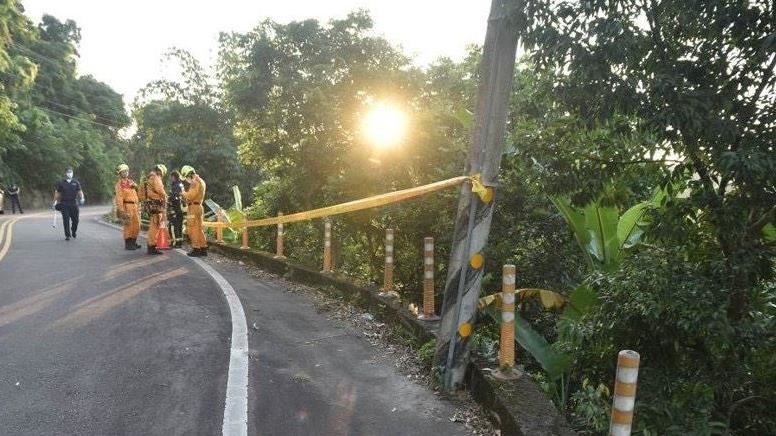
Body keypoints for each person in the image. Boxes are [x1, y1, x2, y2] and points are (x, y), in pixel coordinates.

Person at [180, 165, 207, 257]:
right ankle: (203, 248)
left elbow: (190, 195)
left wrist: (183, 192)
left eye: (186, 177)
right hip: (198, 207)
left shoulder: (195, 182)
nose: (186, 180)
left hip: (193, 208)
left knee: (192, 229)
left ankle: (196, 249)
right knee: (199, 229)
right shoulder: (201, 181)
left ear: (189, 174)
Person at [114, 164, 141, 250]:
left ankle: (133, 242)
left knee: (137, 225)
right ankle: (128, 244)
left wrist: (136, 187)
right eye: (123, 172)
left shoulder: (131, 182)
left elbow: (139, 191)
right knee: (128, 225)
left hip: (135, 206)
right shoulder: (119, 185)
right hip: (127, 206)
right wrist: (122, 211)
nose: (125, 173)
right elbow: (119, 198)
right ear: (120, 173)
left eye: (126, 171)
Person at [142, 164, 168, 255]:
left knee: (154, 225)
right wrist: (165, 197)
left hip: (151, 204)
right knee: (155, 226)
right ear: (161, 171)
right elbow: (160, 189)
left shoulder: (150, 177)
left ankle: (151, 246)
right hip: (156, 203)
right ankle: (152, 246)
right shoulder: (156, 178)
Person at [53, 167, 84, 241]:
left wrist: (82, 198)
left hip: (74, 203)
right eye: (68, 172)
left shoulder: (76, 182)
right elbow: (58, 193)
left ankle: (73, 231)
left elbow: (80, 191)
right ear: (66, 173)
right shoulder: (61, 183)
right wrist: (54, 202)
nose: (70, 173)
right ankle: (67, 235)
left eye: (71, 172)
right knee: (66, 220)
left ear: (73, 173)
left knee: (75, 220)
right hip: (64, 203)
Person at [167, 170, 185, 248]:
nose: (171, 179)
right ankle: (179, 243)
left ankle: (175, 243)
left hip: (175, 208)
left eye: (171, 177)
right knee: (179, 226)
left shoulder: (176, 186)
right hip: (180, 209)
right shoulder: (181, 185)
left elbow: (175, 198)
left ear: (174, 177)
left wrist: (169, 198)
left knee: (173, 226)